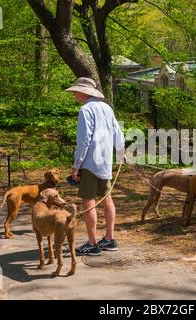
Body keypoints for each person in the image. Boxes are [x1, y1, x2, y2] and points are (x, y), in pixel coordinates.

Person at [66, 77, 125, 256]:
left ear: (85, 92)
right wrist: (121, 153)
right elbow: (118, 133)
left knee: (88, 201)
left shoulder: (86, 110)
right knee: (107, 199)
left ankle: (92, 244)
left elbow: (84, 140)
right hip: (105, 161)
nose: (74, 94)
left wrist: (76, 165)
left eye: (76, 91)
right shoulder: (107, 108)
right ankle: (109, 238)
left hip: (90, 162)